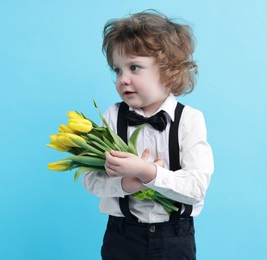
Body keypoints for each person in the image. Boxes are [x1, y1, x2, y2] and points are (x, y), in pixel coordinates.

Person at [82, 10, 214, 260]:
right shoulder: (112, 116)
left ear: (168, 70)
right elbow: (91, 180)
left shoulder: (190, 120)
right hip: (121, 236)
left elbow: (196, 188)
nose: (123, 79)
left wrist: (148, 173)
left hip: (174, 238)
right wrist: (125, 184)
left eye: (134, 67)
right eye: (117, 70)